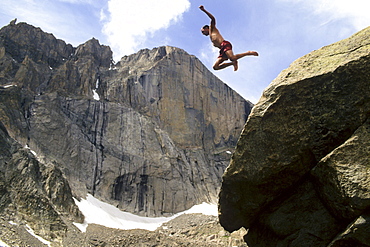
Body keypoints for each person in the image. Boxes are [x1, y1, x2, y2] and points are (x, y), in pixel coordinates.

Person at [199, 5, 258, 71]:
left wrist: (204, 10)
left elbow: (213, 19)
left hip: (225, 44)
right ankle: (232, 63)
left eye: (203, 31)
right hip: (222, 50)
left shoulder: (212, 28)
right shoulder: (211, 39)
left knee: (232, 57)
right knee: (215, 67)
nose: (203, 34)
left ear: (206, 28)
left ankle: (248, 53)